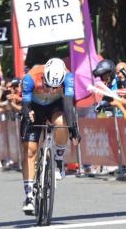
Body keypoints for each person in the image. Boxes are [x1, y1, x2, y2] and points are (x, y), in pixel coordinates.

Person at [20, 58, 80, 214]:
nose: (52, 90)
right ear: (43, 77)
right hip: (35, 108)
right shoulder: (31, 77)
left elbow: (68, 105)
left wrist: (73, 130)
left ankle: (59, 159)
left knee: (61, 122)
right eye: (48, 85)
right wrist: (27, 114)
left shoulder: (68, 77)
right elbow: (25, 105)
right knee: (29, 150)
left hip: (55, 107)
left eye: (56, 87)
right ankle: (29, 195)